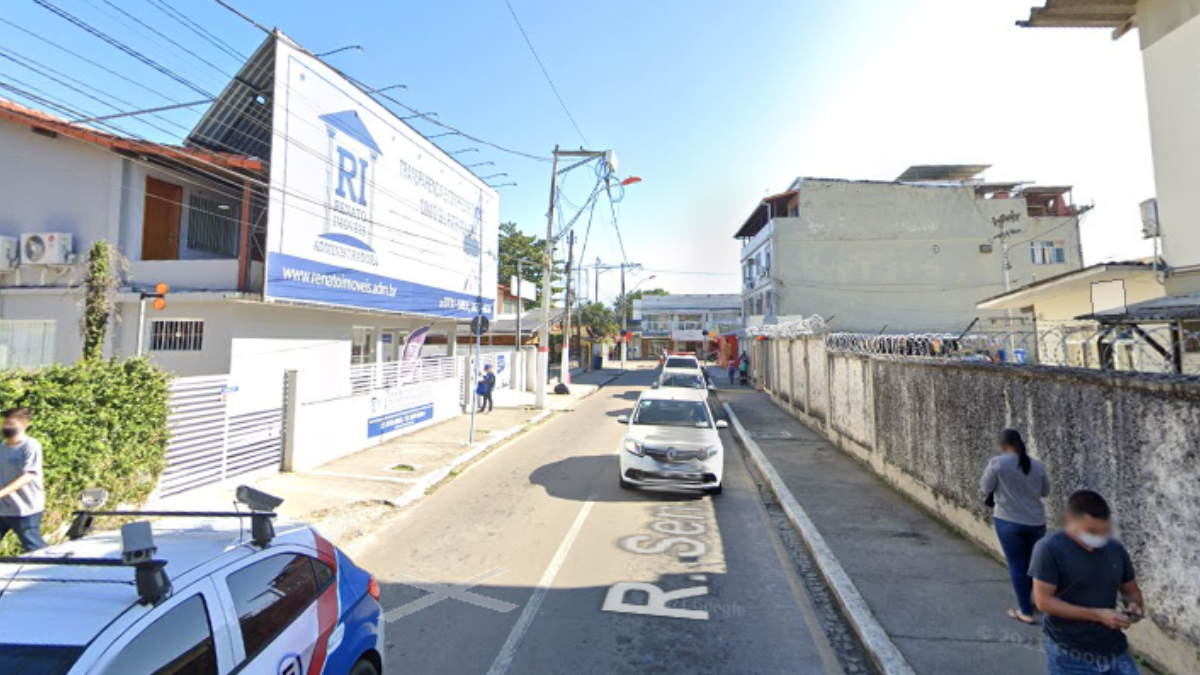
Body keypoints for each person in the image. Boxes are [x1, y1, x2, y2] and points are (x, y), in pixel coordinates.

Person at [1031, 490, 1145, 675]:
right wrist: (1098, 615)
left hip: (1114, 649)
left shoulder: (1114, 548)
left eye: (1102, 531)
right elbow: (1044, 601)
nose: (1097, 538)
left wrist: (1134, 607)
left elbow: (1130, 590)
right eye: (1091, 531)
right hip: (1069, 653)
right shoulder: (1049, 549)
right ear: (1071, 520)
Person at [979, 428, 1049, 625]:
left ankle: (1025, 611)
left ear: (1002, 445)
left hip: (1008, 520)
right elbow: (1045, 491)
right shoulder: (1036, 465)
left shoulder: (997, 463)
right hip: (1036, 522)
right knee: (1033, 566)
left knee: (1017, 566)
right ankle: (1035, 602)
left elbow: (985, 487)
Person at [0, 407, 47, 552]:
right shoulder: (3, 447)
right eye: (5, 423)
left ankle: (50, 563)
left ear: (24, 425)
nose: (6, 427)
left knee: (33, 545)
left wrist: (2, 492)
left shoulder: (30, 446)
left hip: (25, 508)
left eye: (11, 424)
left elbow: (28, 475)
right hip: (3, 509)